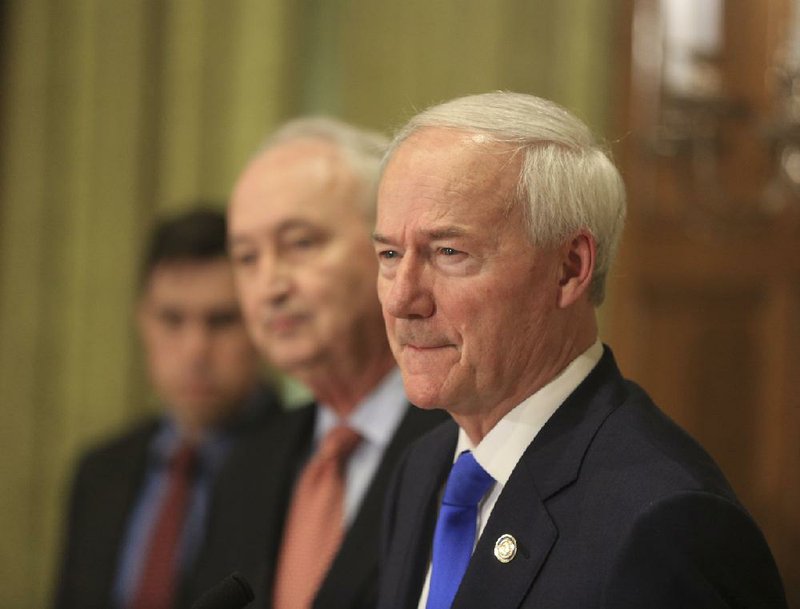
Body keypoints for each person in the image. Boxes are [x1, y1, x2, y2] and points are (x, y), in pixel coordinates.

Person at [372, 92, 787, 609]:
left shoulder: (663, 521)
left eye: (449, 252)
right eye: (390, 253)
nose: (401, 298)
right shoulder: (423, 467)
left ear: (569, 268)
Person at [188, 118, 445, 609]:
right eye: (246, 258)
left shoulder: (465, 443)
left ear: (388, 249)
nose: (271, 285)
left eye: (301, 243)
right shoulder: (246, 465)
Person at [54, 208, 280, 609]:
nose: (195, 350)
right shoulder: (100, 470)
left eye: (221, 321)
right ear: (143, 321)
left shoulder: (301, 466)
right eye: (172, 320)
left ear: (260, 324)